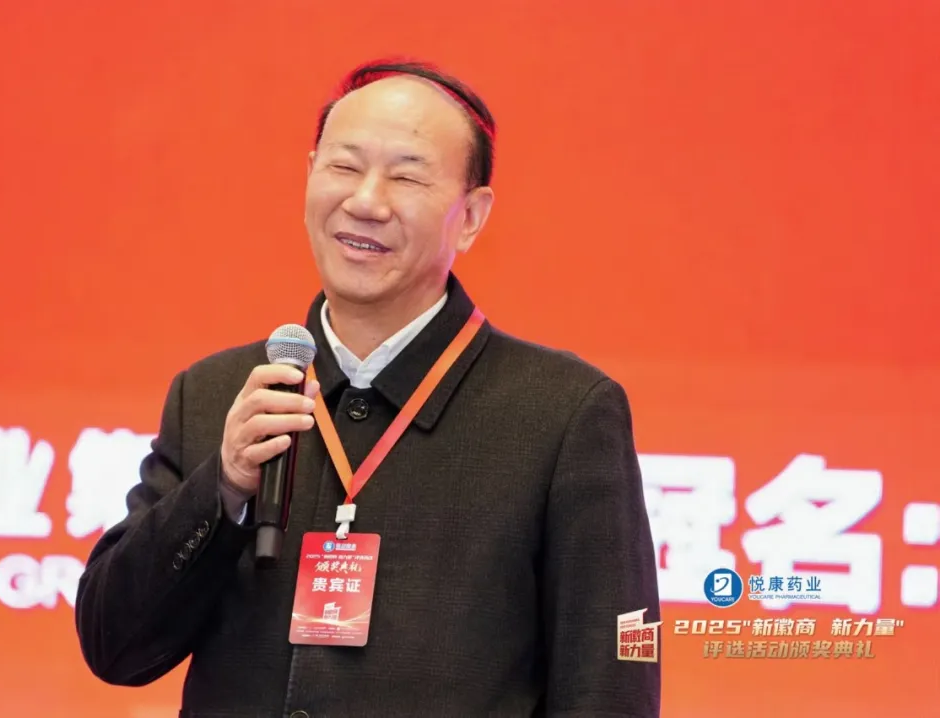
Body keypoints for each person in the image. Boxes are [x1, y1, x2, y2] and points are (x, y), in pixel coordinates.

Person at [74, 58, 661, 717]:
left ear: (471, 216)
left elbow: (610, 684)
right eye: (344, 167)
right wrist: (224, 487)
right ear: (309, 177)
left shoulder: (562, 414)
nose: (365, 202)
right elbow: (113, 646)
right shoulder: (218, 394)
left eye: (406, 176)